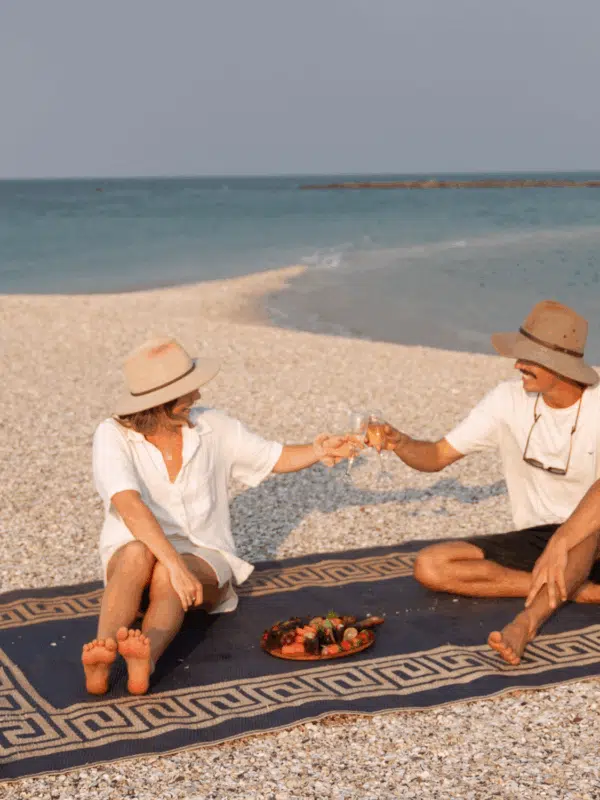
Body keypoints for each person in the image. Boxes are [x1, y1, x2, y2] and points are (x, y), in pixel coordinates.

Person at [82, 336, 358, 695]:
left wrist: (318, 450)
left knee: (167, 571)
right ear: (159, 403)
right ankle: (101, 655)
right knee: (138, 553)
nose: (196, 397)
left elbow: (272, 457)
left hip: (202, 558)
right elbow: (128, 504)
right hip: (137, 553)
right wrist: (174, 564)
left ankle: (143, 660)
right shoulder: (112, 434)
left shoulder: (214, 425)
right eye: (187, 392)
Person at [371, 300, 600, 664]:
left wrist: (563, 539)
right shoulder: (506, 400)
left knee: (584, 535)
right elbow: (436, 456)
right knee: (430, 566)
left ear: (560, 364)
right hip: (540, 536)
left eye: (529, 358)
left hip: (591, 532)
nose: (517, 365)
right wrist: (400, 442)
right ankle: (581, 591)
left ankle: (526, 623)